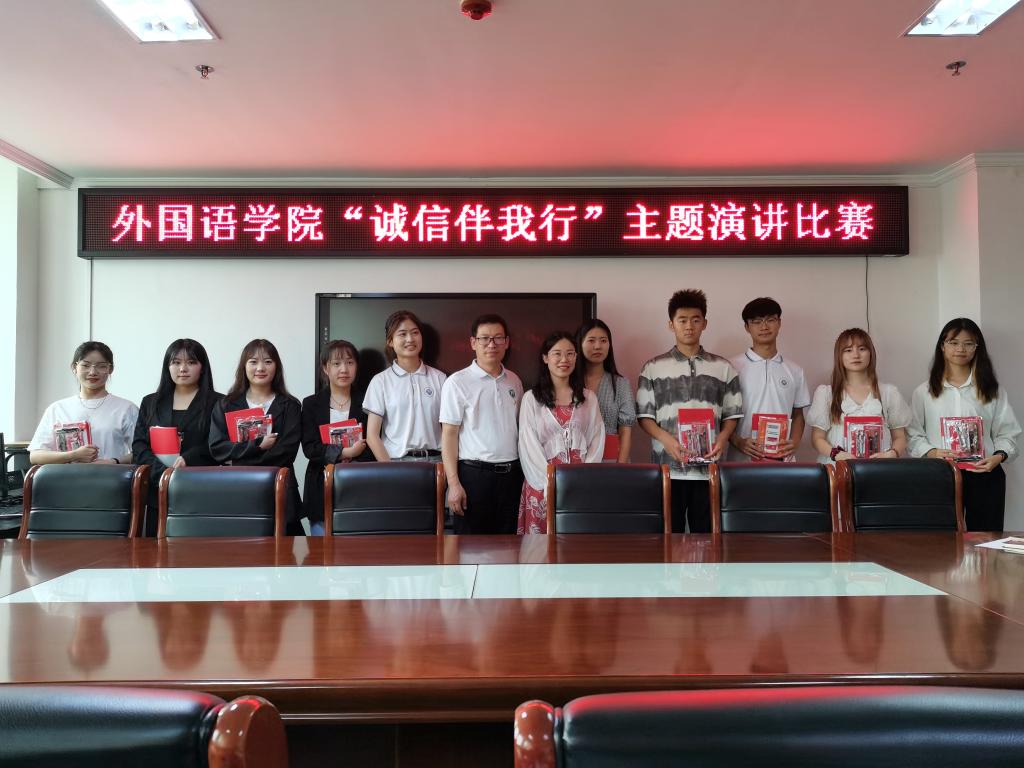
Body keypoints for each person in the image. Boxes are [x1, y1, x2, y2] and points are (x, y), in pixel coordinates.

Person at [636, 289, 743, 533]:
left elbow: (732, 414)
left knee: (707, 539)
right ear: (671, 324)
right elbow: (644, 416)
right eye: (682, 320)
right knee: (667, 537)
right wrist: (667, 440)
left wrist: (723, 438)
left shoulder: (724, 367)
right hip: (667, 468)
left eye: (695, 320)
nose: (689, 326)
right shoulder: (653, 367)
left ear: (705, 323)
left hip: (710, 469)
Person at [907, 318, 1020, 531]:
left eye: (968, 343)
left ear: (977, 348)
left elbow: (1008, 432)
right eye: (953, 342)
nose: (961, 349)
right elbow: (913, 434)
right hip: (940, 473)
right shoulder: (924, 392)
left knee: (985, 540)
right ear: (942, 346)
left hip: (984, 472)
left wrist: (998, 457)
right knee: (941, 539)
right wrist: (932, 452)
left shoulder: (991, 390)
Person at [209, 339, 304, 535]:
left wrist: (238, 458)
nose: (260, 368)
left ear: (276, 367)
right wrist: (258, 446)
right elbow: (217, 448)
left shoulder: (290, 405)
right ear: (244, 366)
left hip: (279, 490)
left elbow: (286, 452)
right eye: (253, 362)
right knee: (242, 549)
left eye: (268, 362)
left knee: (285, 550)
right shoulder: (226, 404)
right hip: (238, 490)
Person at [440, 314, 524, 534]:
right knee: (471, 547)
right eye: (484, 338)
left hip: (512, 477)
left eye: (498, 338)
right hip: (474, 477)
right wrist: (453, 484)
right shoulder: (457, 382)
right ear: (473, 343)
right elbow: (448, 435)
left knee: (510, 545)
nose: (491, 344)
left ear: (507, 342)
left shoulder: (514, 380)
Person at [132, 339, 222, 536]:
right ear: (168, 366)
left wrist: (190, 458)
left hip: (201, 488)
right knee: (156, 549)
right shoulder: (151, 402)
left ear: (202, 367)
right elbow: (139, 446)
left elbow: (220, 444)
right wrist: (163, 474)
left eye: (191, 362)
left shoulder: (219, 402)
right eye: (176, 362)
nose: (183, 368)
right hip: (158, 489)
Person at [517, 332, 604, 534]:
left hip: (579, 486)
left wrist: (584, 478)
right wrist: (548, 483)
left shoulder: (588, 398)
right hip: (541, 485)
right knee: (540, 547)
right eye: (557, 353)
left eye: (570, 353)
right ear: (545, 358)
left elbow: (597, 439)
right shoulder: (531, 399)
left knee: (576, 544)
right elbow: (528, 444)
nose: (564, 359)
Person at [808, 327, 911, 464]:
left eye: (862, 349)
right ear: (839, 355)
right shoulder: (826, 394)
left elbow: (900, 437)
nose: (856, 355)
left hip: (880, 469)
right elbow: (817, 438)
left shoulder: (889, 393)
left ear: (871, 353)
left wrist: (892, 453)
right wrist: (836, 454)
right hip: (837, 469)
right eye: (848, 350)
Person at [301, 339, 371, 536]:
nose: (344, 369)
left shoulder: (368, 402)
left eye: (349, 362)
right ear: (326, 368)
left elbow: (375, 442)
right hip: (321, 487)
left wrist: (356, 456)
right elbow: (310, 448)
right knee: (321, 549)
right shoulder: (311, 404)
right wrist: (345, 452)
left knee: (357, 549)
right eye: (336, 363)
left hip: (359, 486)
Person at [29, 341, 138, 466]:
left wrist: (112, 462)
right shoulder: (57, 409)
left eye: (101, 366)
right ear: (74, 368)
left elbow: (140, 453)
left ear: (110, 369)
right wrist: (73, 455)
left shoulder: (126, 408)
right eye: (85, 365)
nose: (92, 372)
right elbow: (35, 456)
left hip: (110, 476)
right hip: (65, 477)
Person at [729, 297, 810, 462]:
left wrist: (794, 443)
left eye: (770, 320)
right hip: (741, 461)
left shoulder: (795, 370)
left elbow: (798, 415)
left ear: (779, 323)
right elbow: (722, 415)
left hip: (782, 461)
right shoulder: (731, 367)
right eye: (756, 321)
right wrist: (738, 441)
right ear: (747, 327)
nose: (764, 327)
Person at [363, 310, 447, 462]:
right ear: (390, 341)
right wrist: (389, 469)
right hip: (397, 462)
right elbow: (372, 436)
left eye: (415, 333)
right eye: (402, 334)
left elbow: (450, 430)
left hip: (436, 462)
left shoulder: (440, 378)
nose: (410, 339)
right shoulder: (380, 381)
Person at [576, 319, 636, 462]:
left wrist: (620, 469)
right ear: (579, 344)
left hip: (610, 460)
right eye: (591, 340)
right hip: (575, 461)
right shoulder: (569, 383)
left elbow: (625, 432)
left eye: (603, 341)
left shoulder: (621, 384)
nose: (598, 346)